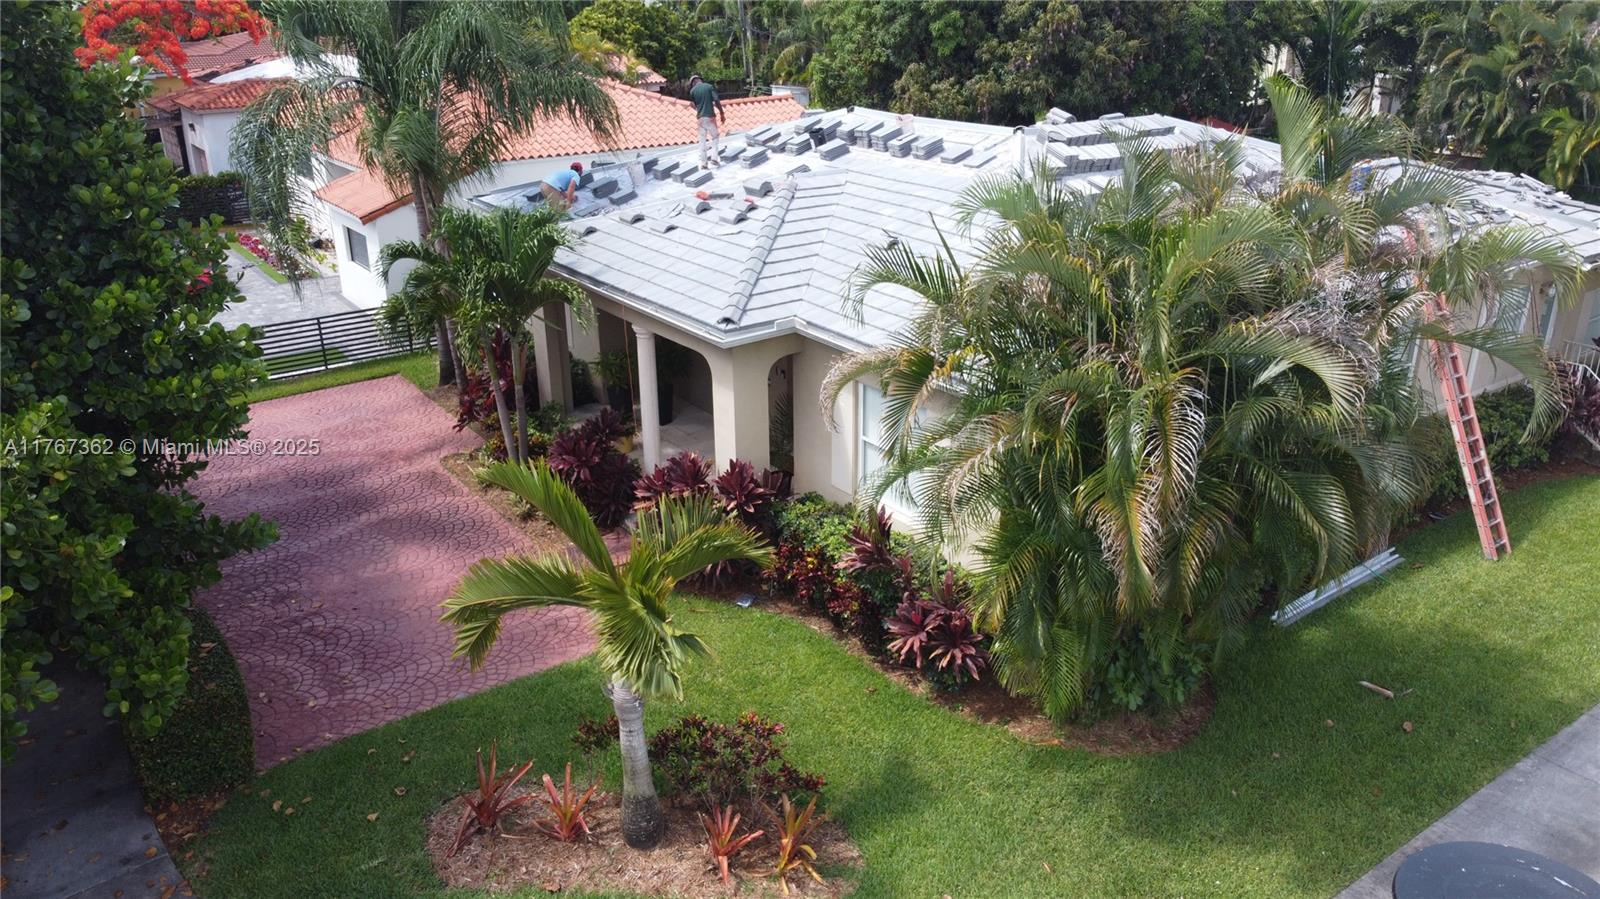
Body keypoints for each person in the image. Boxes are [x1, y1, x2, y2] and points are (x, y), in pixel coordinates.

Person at [688, 75, 726, 168]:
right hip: (710, 117)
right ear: (700, 80)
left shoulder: (692, 91)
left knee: (702, 141)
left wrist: (698, 110)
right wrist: (721, 113)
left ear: (693, 83)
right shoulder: (709, 87)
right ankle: (714, 158)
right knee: (715, 137)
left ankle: (704, 164)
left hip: (700, 120)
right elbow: (716, 100)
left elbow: (692, 104)